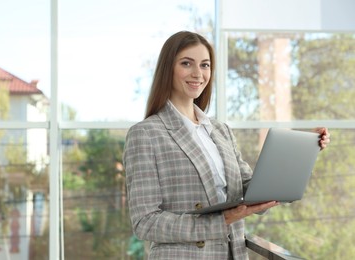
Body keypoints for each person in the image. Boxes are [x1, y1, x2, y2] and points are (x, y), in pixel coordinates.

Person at [123, 31, 330, 260]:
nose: (198, 74)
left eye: (205, 65)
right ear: (168, 68)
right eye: (186, 63)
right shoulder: (145, 134)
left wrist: (301, 152)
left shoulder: (221, 131)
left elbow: (251, 191)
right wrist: (222, 221)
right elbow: (145, 222)